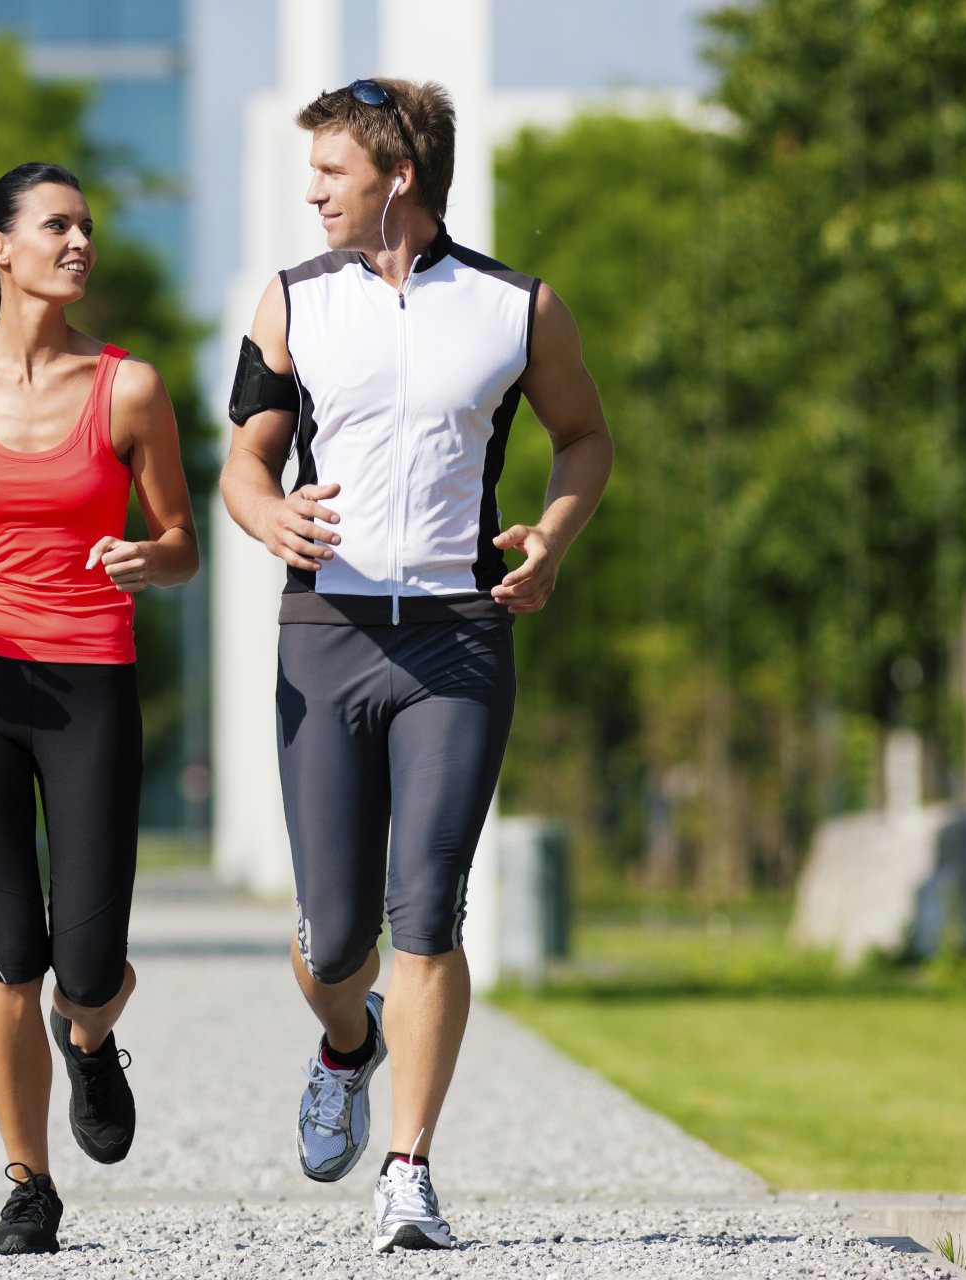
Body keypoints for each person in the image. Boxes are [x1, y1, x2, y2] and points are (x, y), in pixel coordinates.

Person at [220, 79, 613, 1252]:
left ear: (398, 176)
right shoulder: (291, 300)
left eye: (330, 171)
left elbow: (584, 436)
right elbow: (245, 459)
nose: (312, 191)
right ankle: (347, 1039)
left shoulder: (517, 305)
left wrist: (550, 534)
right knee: (335, 938)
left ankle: (409, 1167)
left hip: (456, 638)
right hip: (326, 638)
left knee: (426, 908)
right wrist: (265, 517)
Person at [0, 161, 198, 1256]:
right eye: (57, 225)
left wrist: (151, 557)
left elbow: (185, 542)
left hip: (91, 686)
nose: (80, 242)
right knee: (11, 946)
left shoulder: (131, 389)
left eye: (87, 227)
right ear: (0, 248)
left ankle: (90, 1040)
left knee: (88, 966)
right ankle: (28, 1183)